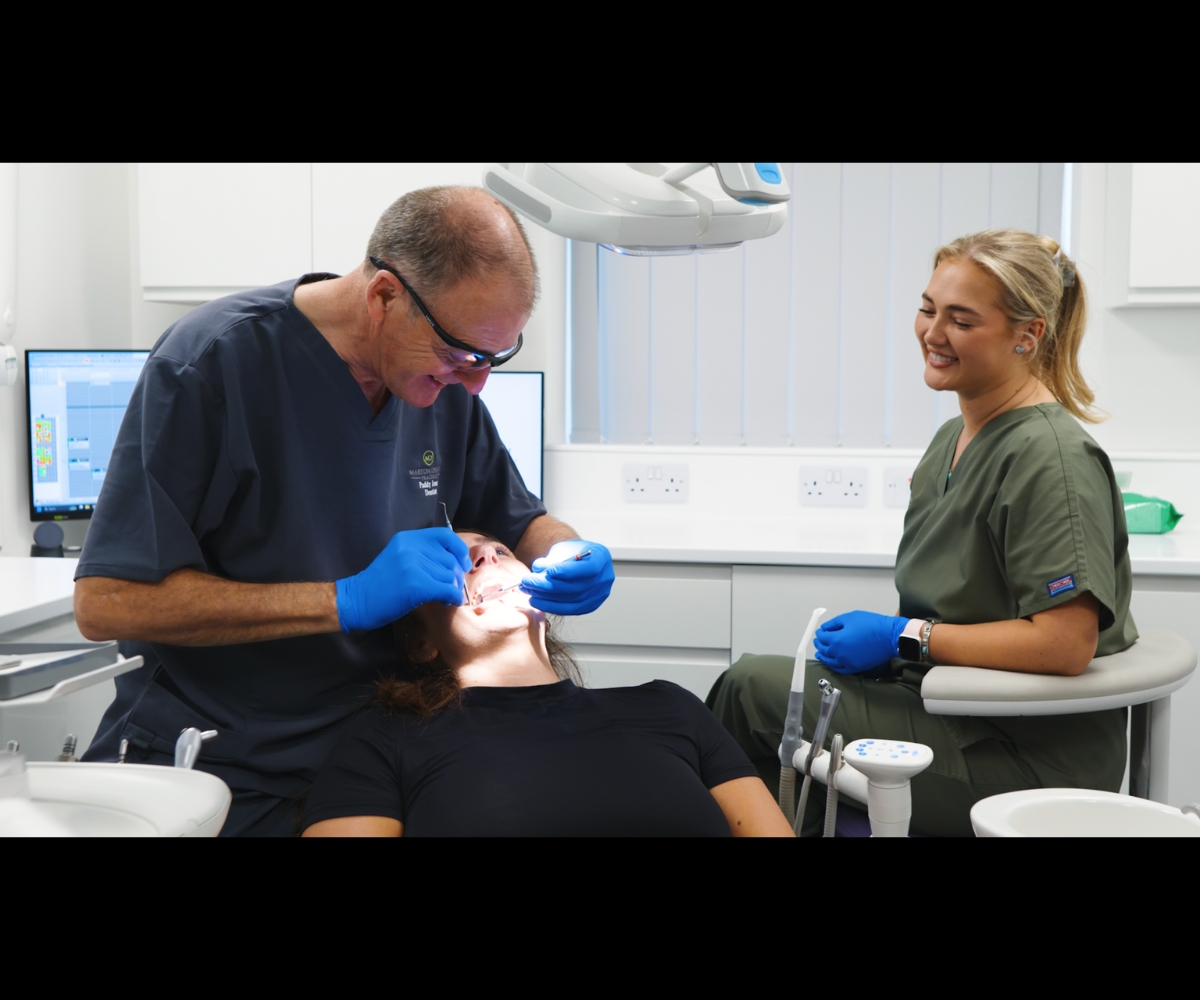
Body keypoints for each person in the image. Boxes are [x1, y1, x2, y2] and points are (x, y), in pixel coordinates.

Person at [72, 187, 615, 836]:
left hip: (377, 758)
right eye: (462, 356)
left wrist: (565, 549)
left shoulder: (441, 383)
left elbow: (518, 519)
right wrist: (343, 600)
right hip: (222, 767)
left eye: (495, 358)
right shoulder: (213, 364)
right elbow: (107, 602)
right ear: (384, 297)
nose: (476, 384)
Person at [707, 229, 1136, 837]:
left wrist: (903, 637)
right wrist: (897, 648)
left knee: (751, 691)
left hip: (1022, 754)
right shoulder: (954, 439)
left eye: (961, 320)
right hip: (948, 707)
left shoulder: (1050, 458)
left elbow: (1065, 644)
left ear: (1027, 334)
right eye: (928, 309)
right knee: (750, 691)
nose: (933, 333)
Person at [302, 531, 792, 837]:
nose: (486, 557)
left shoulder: (669, 706)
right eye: (456, 563)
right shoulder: (388, 738)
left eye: (500, 550)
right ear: (421, 642)